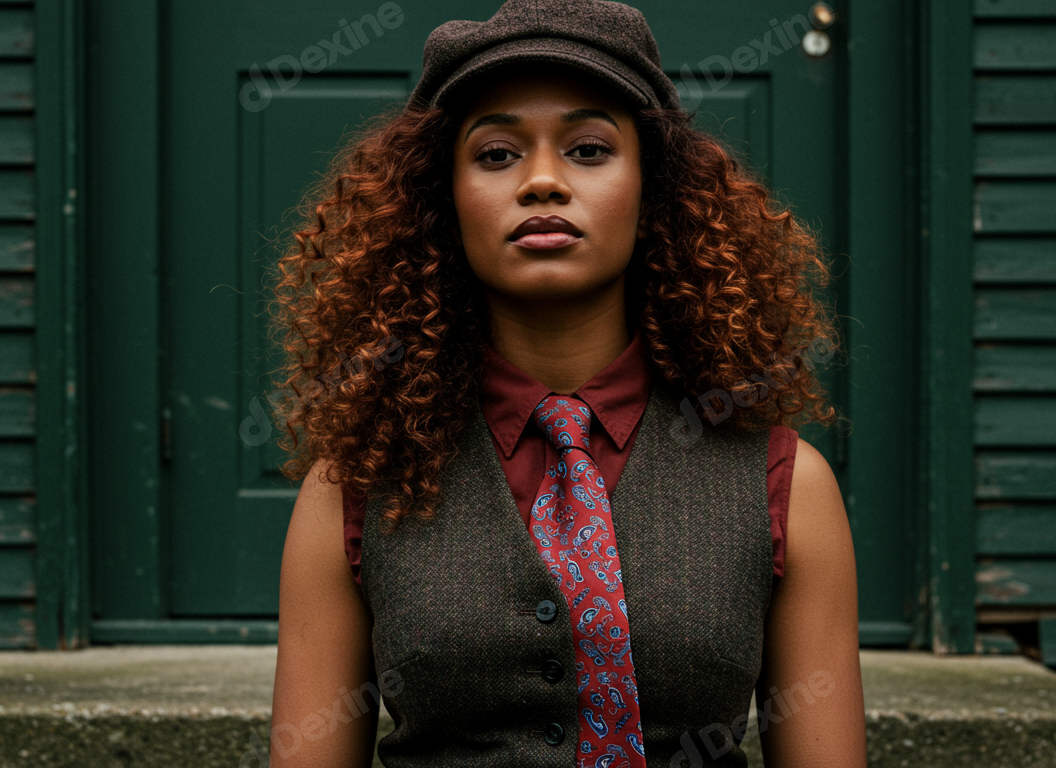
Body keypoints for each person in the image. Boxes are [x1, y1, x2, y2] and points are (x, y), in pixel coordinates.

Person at [267, 1, 866, 766]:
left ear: (652, 192)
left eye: (588, 149)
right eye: (495, 154)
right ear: (442, 202)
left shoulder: (785, 486)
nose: (543, 181)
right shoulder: (350, 489)